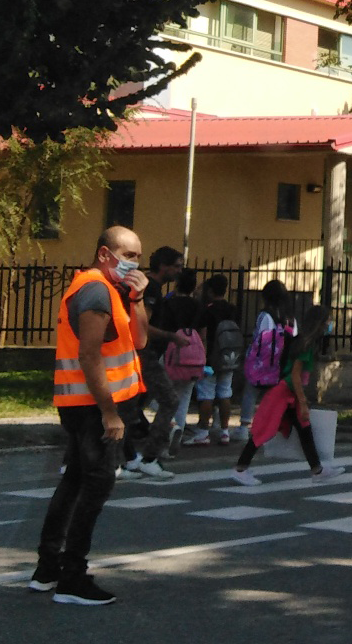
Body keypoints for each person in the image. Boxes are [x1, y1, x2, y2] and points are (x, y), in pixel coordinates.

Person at [29, 226, 148, 605]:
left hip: (88, 405)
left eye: (138, 257)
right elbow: (89, 354)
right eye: (128, 255)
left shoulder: (112, 291)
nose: (134, 263)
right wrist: (110, 413)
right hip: (94, 408)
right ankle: (71, 578)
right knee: (95, 487)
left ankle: (48, 570)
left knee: (75, 482)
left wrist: (139, 297)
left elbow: (140, 340)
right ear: (104, 254)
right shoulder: (95, 289)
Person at [232, 305, 344, 486]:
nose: (330, 324)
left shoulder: (304, 341)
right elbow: (295, 375)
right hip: (284, 393)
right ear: (320, 323)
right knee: (264, 429)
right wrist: (303, 402)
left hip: (289, 393)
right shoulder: (306, 345)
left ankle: (317, 470)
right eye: (328, 321)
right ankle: (240, 469)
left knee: (304, 429)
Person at [126, 246, 188, 479]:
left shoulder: (152, 287)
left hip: (142, 353)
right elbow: (143, 326)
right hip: (144, 353)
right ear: (164, 266)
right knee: (169, 400)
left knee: (129, 408)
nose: (179, 271)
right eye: (177, 266)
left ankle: (129, 457)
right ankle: (149, 456)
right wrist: (171, 336)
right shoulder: (150, 288)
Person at [232, 279, 297, 442]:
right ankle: (274, 425)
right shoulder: (290, 318)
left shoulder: (265, 315)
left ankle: (244, 426)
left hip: (263, 361)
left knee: (251, 392)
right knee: (275, 395)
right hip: (282, 362)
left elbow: (259, 338)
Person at [183, 274, 237, 446]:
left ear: (210, 290)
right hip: (229, 356)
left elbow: (203, 334)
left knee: (206, 394)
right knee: (225, 392)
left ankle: (203, 432)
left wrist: (202, 357)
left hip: (210, 357)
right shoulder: (232, 309)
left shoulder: (207, 309)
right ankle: (225, 431)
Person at [160, 268, 202, 447]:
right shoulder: (198, 306)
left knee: (161, 394)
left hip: (169, 351)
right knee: (184, 396)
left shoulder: (168, 303)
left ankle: (170, 427)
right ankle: (179, 429)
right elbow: (203, 333)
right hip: (192, 355)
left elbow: (162, 328)